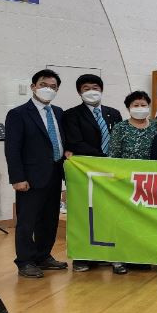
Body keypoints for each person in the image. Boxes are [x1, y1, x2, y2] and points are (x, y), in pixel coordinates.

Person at [4, 69, 69, 279]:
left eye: (53, 87)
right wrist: (17, 178)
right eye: (43, 85)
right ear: (33, 87)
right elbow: (12, 149)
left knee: (49, 219)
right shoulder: (18, 114)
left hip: (55, 173)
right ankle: (25, 261)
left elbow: (61, 140)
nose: (48, 89)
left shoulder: (58, 112)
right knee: (27, 221)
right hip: (30, 177)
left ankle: (43, 256)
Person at [62, 74, 122, 273]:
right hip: (85, 173)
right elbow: (75, 143)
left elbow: (118, 139)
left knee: (108, 213)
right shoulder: (71, 115)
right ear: (79, 92)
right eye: (86, 88)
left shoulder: (113, 113)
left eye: (95, 87)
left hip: (110, 173)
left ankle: (105, 253)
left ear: (102, 89)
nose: (91, 91)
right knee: (84, 214)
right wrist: (104, 157)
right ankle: (82, 257)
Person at [109, 90, 157, 275]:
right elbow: (114, 155)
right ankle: (119, 259)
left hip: (150, 183)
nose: (140, 108)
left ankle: (139, 256)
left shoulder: (156, 126)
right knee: (123, 221)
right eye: (135, 105)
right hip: (126, 182)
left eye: (143, 105)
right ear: (128, 108)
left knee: (144, 221)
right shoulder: (120, 128)